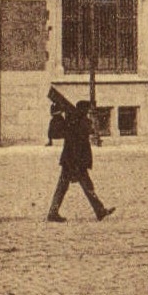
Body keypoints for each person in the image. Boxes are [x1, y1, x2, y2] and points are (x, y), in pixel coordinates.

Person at [46, 93, 115, 223]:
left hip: (70, 160)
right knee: (84, 186)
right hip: (76, 162)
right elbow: (88, 131)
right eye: (87, 111)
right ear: (83, 111)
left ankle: (53, 212)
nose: (89, 114)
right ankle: (99, 210)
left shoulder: (73, 122)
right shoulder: (80, 123)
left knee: (65, 186)